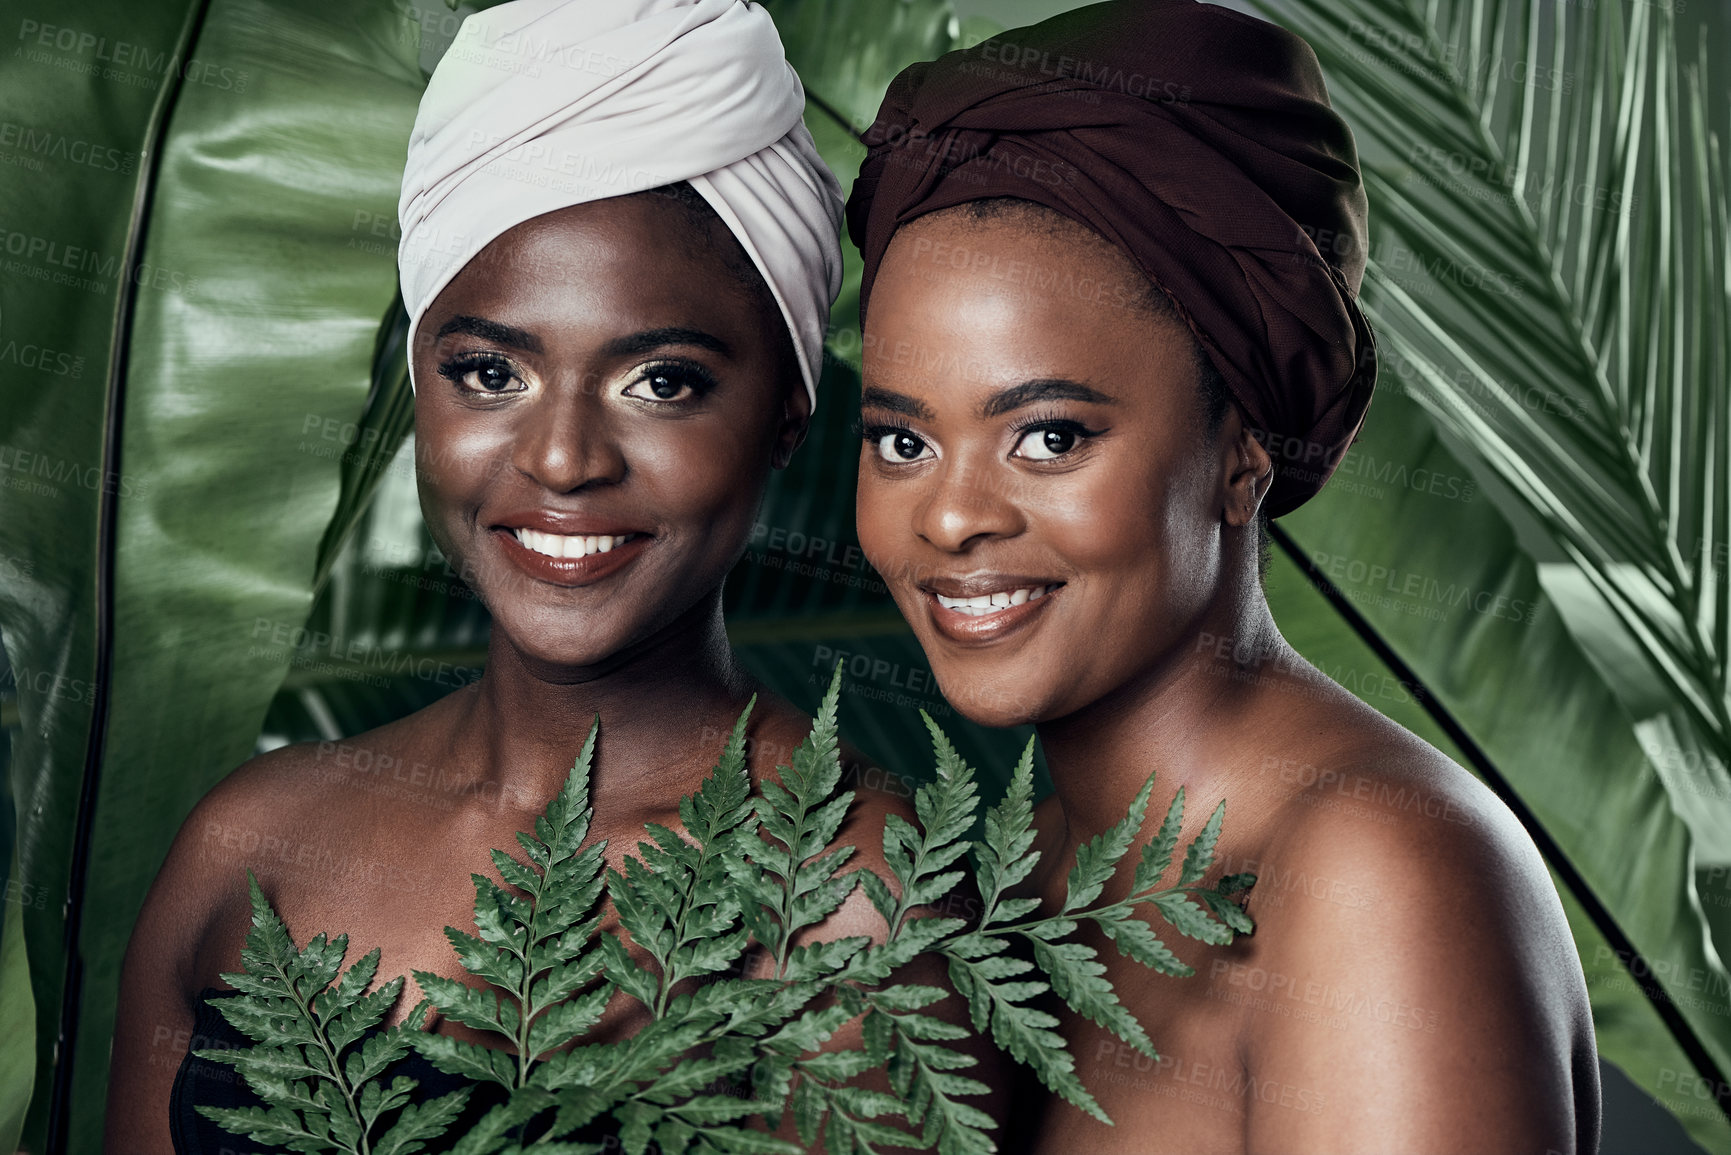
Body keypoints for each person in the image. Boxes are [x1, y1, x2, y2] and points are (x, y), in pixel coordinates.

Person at [105, 1, 995, 1149]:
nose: (564, 458)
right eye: (489, 373)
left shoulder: (854, 900)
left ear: (787, 411)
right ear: (420, 381)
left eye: (662, 383)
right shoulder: (249, 846)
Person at [845, 1, 1600, 1152]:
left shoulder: (1375, 878)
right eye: (902, 441)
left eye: (1049, 435)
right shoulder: (1010, 881)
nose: (949, 516)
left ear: (1243, 450)